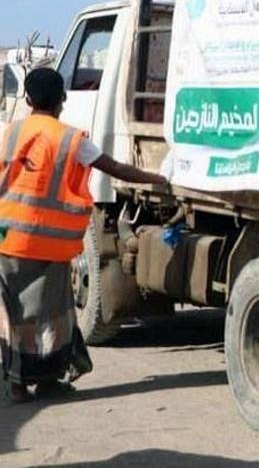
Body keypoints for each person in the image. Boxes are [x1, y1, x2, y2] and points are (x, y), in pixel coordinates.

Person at [0, 68, 167, 403]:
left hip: (7, 239)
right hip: (47, 244)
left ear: (29, 100)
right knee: (53, 316)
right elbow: (117, 170)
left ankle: (18, 384)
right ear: (63, 99)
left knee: (15, 315)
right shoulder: (71, 140)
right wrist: (160, 178)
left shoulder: (10, 133)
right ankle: (47, 380)